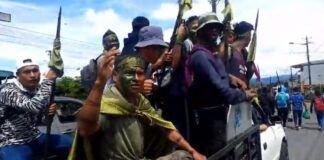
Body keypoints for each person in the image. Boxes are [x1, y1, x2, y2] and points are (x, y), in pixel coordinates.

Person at [74, 52, 206, 160]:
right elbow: (86, 128)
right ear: (115, 76)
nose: (136, 78)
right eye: (130, 73)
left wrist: (193, 151)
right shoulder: (107, 103)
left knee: (184, 157)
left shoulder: (141, 103)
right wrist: (99, 83)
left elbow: (167, 129)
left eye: (140, 73)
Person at [187, 12, 256, 156]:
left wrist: (231, 78)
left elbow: (218, 75)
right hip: (209, 122)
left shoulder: (209, 53)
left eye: (217, 28)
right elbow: (221, 90)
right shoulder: (200, 55)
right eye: (209, 27)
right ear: (200, 32)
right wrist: (244, 95)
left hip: (218, 117)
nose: (214, 31)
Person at [0, 58, 72, 159]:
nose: (33, 75)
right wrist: (48, 81)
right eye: (27, 72)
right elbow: (32, 106)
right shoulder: (8, 90)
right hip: (11, 142)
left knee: (71, 144)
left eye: (35, 70)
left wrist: (48, 114)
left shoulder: (39, 90)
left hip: (35, 136)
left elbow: (44, 121)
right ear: (18, 76)